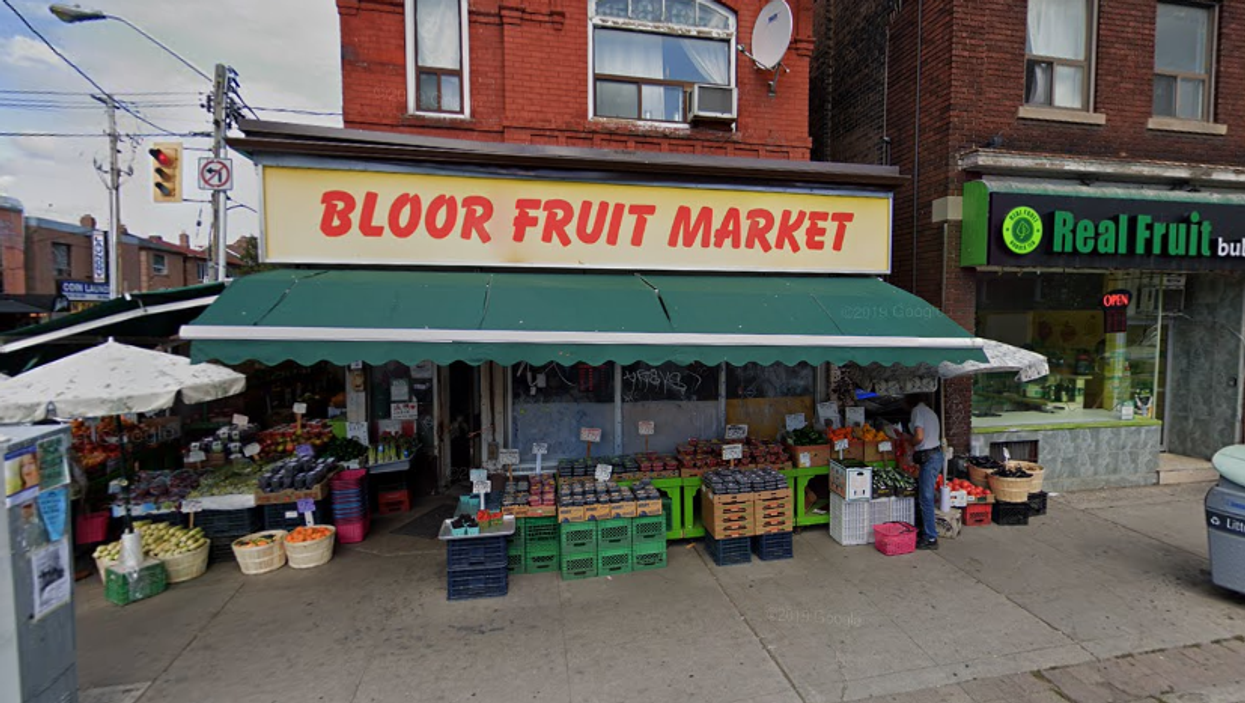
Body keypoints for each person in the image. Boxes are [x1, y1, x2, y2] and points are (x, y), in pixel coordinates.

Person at [905, 394, 943, 550]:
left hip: (930, 457)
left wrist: (910, 441)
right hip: (935, 455)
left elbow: (919, 437)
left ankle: (931, 537)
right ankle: (926, 530)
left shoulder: (917, 411)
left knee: (926, 498)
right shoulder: (930, 412)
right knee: (926, 496)